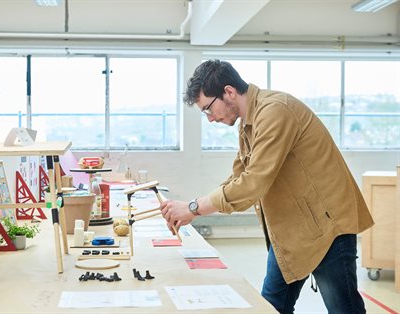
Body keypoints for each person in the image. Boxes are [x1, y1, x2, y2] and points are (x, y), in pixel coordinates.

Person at [160, 59, 374, 314]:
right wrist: (192, 207)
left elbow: (252, 184)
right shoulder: (249, 124)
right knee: (271, 305)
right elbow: (239, 177)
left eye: (208, 109)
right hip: (290, 231)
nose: (210, 119)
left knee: (344, 308)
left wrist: (194, 208)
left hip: (327, 226)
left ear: (228, 92)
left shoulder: (275, 111)